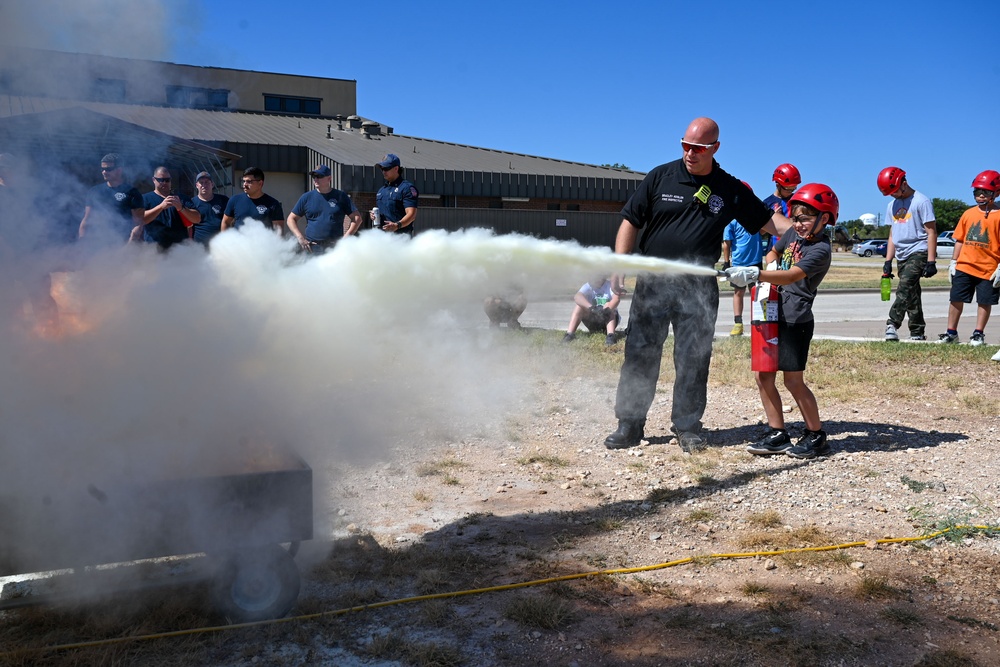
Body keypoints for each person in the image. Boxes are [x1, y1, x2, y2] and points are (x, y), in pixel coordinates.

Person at [604, 117, 791, 453]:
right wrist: (620, 263)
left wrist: (802, 232)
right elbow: (630, 220)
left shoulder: (730, 188)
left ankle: (688, 427)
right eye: (685, 146)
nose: (690, 153)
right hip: (654, 283)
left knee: (693, 357)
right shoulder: (660, 176)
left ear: (715, 148)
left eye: (698, 148)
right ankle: (629, 425)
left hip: (698, 288)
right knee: (640, 354)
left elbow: (769, 221)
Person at [725, 184, 837, 459]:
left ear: (825, 218)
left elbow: (791, 276)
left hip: (795, 320)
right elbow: (773, 252)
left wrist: (755, 274)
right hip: (771, 313)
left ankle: (816, 435)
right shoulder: (792, 235)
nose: (798, 224)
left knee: (793, 382)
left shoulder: (821, 249)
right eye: (796, 218)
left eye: (805, 218)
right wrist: (768, 263)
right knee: (763, 376)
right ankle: (778, 433)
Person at [936, 170, 1000, 349]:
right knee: (956, 299)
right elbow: (960, 240)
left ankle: (978, 333)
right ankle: (951, 332)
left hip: (989, 268)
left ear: (996, 193)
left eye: (985, 192)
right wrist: (953, 262)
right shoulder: (968, 214)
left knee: (985, 301)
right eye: (977, 192)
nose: (980, 195)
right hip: (965, 266)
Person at [877, 166, 937, 342]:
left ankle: (892, 324)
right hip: (901, 254)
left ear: (903, 183)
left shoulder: (921, 201)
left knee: (904, 287)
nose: (893, 195)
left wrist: (931, 261)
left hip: (919, 251)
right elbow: (892, 234)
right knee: (912, 293)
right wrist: (888, 261)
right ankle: (917, 331)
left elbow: (931, 231)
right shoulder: (892, 205)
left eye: (894, 191)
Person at [286, 164, 362, 254]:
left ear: (329, 178)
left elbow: (357, 218)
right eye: (314, 176)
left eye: (319, 176)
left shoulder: (340, 196)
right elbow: (291, 219)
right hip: (312, 248)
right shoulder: (306, 197)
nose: (316, 179)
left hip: (334, 248)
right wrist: (300, 238)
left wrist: (345, 239)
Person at [721, 181, 763, 336]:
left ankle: (758, 320)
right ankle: (738, 323)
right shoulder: (731, 220)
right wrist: (726, 263)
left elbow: (765, 229)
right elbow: (726, 243)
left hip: (755, 262)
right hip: (739, 263)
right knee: (739, 292)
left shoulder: (756, 216)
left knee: (757, 293)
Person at [78, 153, 144, 244]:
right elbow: (87, 219)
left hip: (122, 243)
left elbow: (138, 224)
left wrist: (129, 245)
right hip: (96, 244)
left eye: (108, 169)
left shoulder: (132, 193)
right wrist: (82, 240)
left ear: (119, 170)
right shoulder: (94, 191)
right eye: (102, 169)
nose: (104, 172)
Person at [140, 166, 200, 250]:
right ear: (154, 180)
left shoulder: (181, 198)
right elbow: (140, 219)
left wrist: (181, 208)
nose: (164, 182)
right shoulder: (145, 198)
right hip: (154, 251)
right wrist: (160, 207)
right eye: (161, 180)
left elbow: (197, 219)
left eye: (167, 180)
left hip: (179, 250)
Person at [221, 167, 284, 233]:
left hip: (262, 243)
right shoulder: (234, 200)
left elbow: (278, 231)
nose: (244, 184)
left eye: (249, 181)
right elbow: (225, 222)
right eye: (244, 181)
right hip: (238, 243)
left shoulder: (273, 204)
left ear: (260, 183)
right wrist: (225, 241)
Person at [562, 275, 620, 346]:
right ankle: (570, 334)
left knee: (609, 305)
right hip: (593, 319)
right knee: (579, 306)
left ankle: (611, 335)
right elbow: (577, 297)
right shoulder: (588, 286)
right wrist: (592, 308)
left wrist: (607, 309)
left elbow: (616, 299)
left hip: (608, 319)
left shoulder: (609, 285)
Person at [371, 154, 418, 235]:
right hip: (381, 237)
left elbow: (411, 214)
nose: (383, 171)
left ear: (396, 168)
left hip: (401, 238)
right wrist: (373, 215)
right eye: (382, 169)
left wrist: (397, 225)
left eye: (386, 168)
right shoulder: (381, 190)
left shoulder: (406, 188)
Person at [760, 163, 801, 254]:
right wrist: (771, 219)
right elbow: (760, 232)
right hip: (774, 251)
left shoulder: (797, 201)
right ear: (778, 185)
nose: (791, 192)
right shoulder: (767, 203)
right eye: (788, 188)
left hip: (794, 250)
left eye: (793, 188)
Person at [190, 171, 229, 247]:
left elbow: (230, 220)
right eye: (201, 182)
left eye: (207, 182)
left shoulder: (224, 200)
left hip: (220, 246)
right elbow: (188, 227)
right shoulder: (191, 203)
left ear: (212, 184)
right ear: (196, 185)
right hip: (199, 247)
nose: (204, 185)